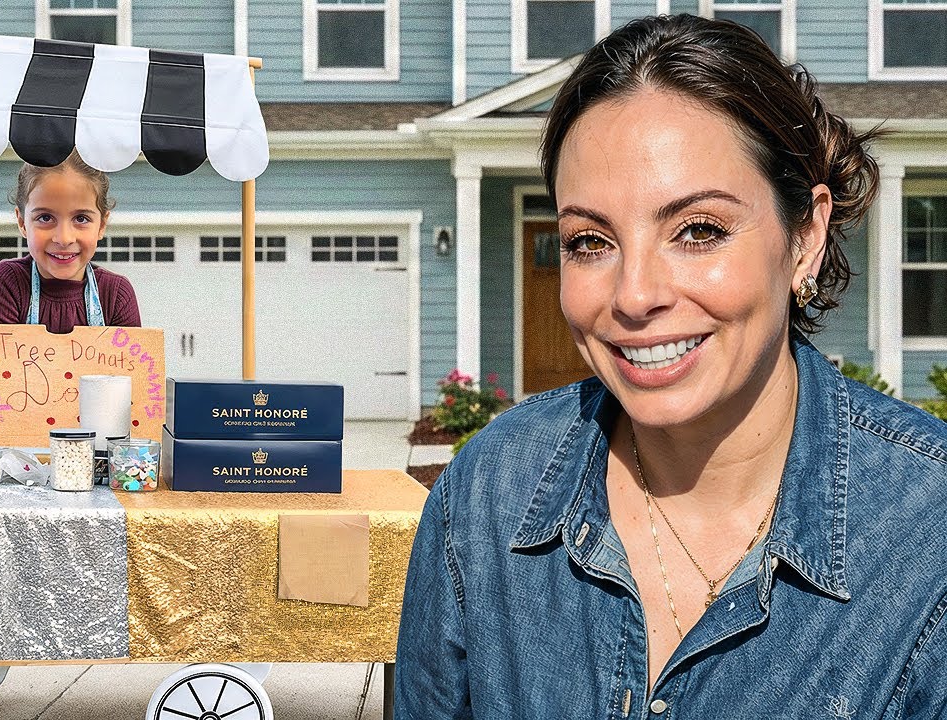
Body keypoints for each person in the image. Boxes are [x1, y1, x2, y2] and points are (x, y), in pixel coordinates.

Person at [394, 13, 947, 718]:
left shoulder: (929, 538)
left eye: (699, 230)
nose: (635, 297)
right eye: (590, 242)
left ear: (804, 238)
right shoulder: (488, 496)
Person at [0, 152, 141, 331]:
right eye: (45, 217)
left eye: (81, 219)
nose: (64, 239)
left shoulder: (116, 294)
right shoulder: (10, 282)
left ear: (101, 225)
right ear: (22, 222)